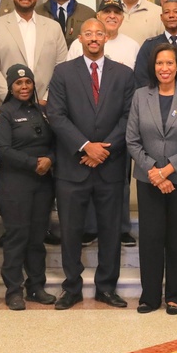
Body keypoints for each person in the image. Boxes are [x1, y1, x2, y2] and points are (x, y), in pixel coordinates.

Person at [46, 18, 136, 310]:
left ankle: (106, 288)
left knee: (111, 231)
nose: (94, 38)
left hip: (110, 166)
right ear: (80, 39)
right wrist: (86, 147)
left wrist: (103, 149)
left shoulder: (123, 74)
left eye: (99, 33)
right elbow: (57, 116)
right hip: (73, 167)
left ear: (106, 37)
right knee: (71, 231)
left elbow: (128, 117)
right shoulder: (63, 72)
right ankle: (71, 287)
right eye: (89, 34)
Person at [127, 44, 177, 314]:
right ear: (153, 67)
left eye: (169, 63)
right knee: (150, 239)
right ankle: (149, 296)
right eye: (160, 63)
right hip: (148, 181)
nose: (164, 68)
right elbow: (132, 140)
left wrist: (167, 171)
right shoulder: (140, 96)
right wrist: (154, 172)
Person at [0, 64, 57, 310]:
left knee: (37, 238)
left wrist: (51, 159)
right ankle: (13, 290)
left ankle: (36, 286)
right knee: (17, 237)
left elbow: (55, 140)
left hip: (42, 183)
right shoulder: (4, 112)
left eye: (28, 82)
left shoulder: (42, 110)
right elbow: (2, 149)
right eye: (18, 83)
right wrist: (33, 164)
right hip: (14, 183)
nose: (24, 87)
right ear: (10, 86)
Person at [0, 0, 69, 103]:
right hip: (10, 105)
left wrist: (47, 97)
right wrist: (10, 96)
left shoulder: (53, 27)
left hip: (46, 104)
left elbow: (62, 67)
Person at [67, 0, 141, 69]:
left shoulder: (133, 46)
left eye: (117, 12)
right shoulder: (78, 44)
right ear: (98, 16)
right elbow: (69, 74)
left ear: (122, 18)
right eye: (107, 12)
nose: (112, 16)